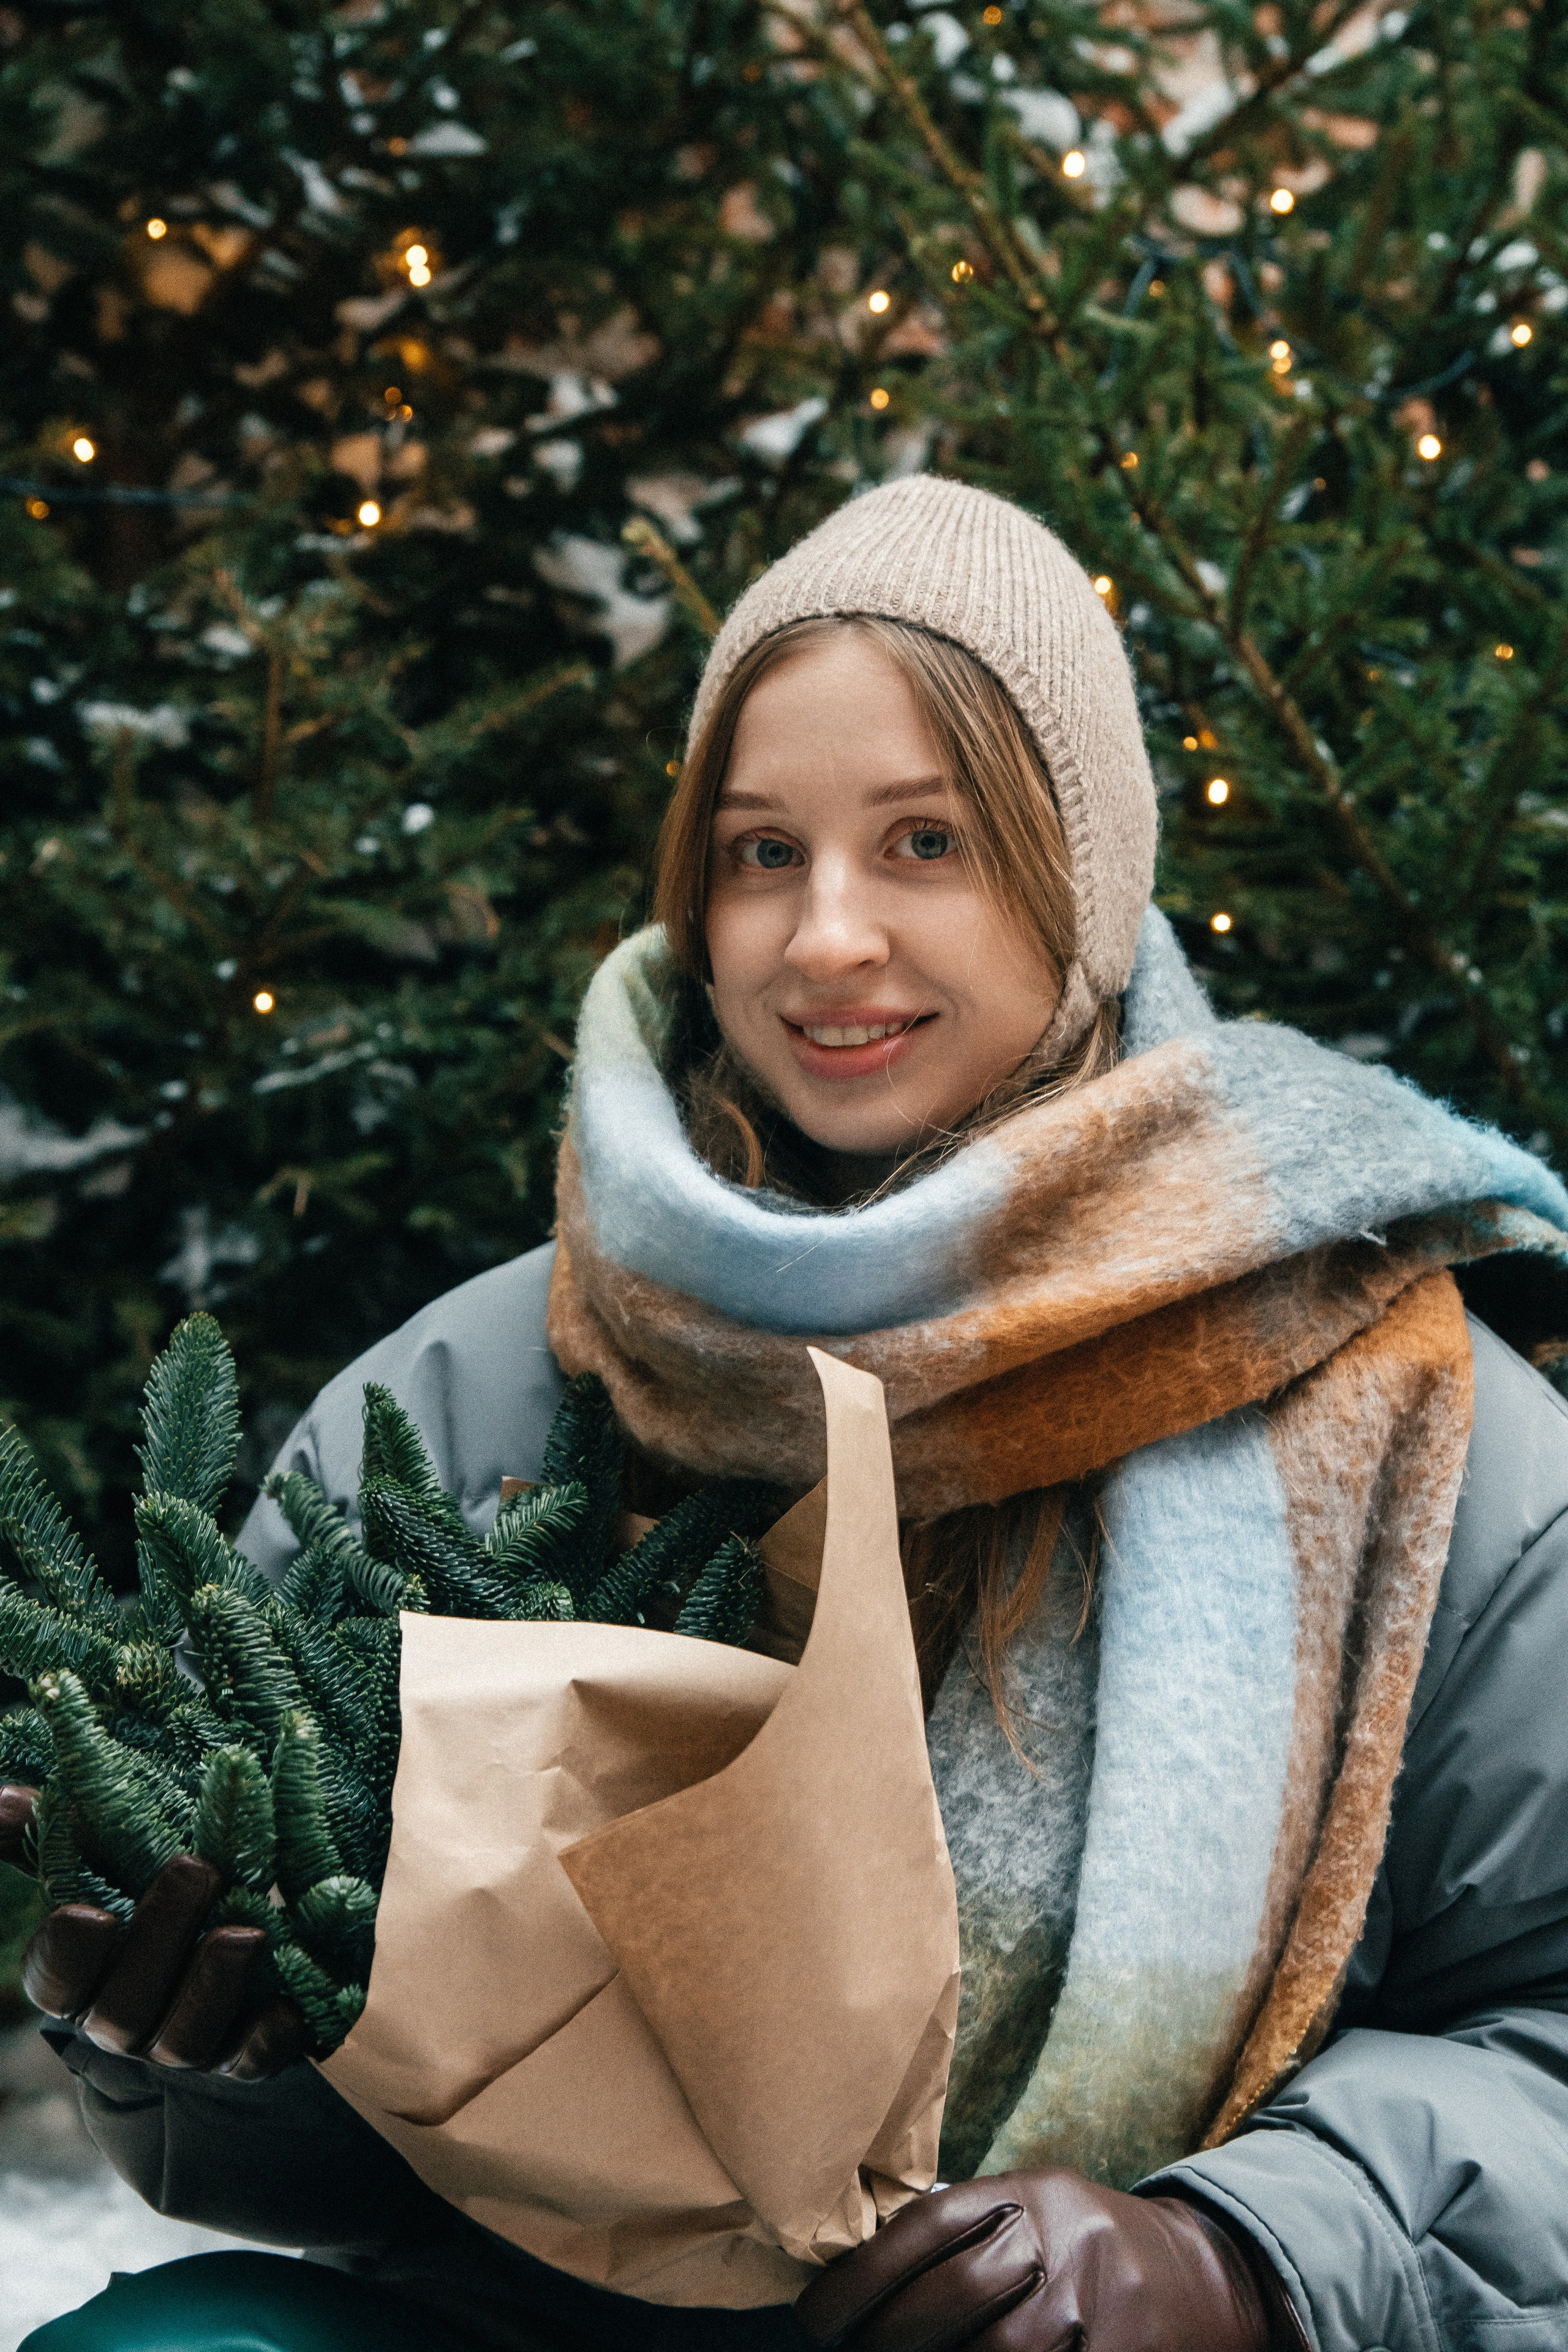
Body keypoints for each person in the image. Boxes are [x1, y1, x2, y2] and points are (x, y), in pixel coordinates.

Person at [8, 476, 1568, 2352]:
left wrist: (1241, 2255)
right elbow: (337, 2155)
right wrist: (223, 2056)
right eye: (763, 852)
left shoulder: (1407, 1427)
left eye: (926, 840)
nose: (826, 936)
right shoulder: (488, 1392)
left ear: (1081, 878)